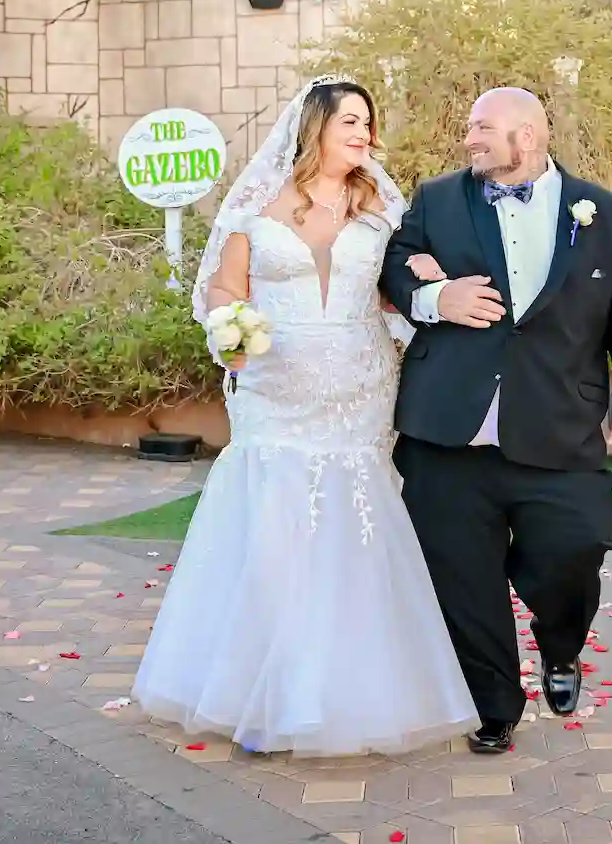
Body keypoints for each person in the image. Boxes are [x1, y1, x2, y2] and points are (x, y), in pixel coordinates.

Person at [132, 75, 478, 757]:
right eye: (349, 120)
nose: (362, 134)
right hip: (274, 386)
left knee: (353, 530)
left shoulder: (380, 201)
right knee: (274, 535)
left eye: (367, 123)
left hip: (359, 386)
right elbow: (225, 290)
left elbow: (403, 283)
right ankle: (260, 692)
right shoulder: (260, 201)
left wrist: (440, 292)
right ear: (314, 125)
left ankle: (349, 691)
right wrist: (228, 337)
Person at [381, 87, 612, 755]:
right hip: (447, 431)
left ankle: (560, 649)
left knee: (576, 548)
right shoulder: (437, 200)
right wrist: (434, 296)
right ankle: (493, 706)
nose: (469, 139)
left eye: (483, 127)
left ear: (528, 137)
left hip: (561, 427)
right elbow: (394, 266)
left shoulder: (611, 219)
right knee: (461, 577)